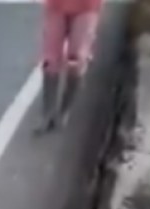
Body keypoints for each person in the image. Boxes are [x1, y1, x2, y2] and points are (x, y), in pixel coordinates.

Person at [37, 0, 104, 134]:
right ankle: (47, 114)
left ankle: (64, 111)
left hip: (86, 7)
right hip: (55, 5)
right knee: (50, 60)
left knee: (76, 59)